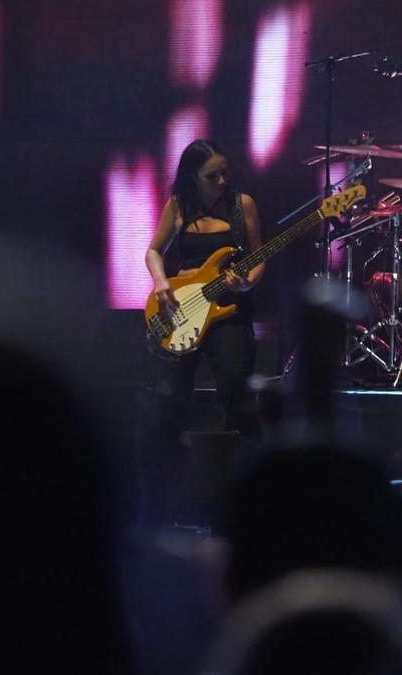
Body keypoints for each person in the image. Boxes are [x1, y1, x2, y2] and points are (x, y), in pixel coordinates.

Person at [143, 139, 264, 525]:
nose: (222, 181)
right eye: (212, 176)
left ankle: (239, 503)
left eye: (225, 172)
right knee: (170, 404)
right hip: (183, 310)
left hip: (228, 312)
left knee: (235, 389)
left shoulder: (241, 205)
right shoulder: (179, 205)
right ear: (192, 177)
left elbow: (258, 257)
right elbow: (153, 251)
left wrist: (247, 282)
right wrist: (161, 283)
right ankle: (163, 506)